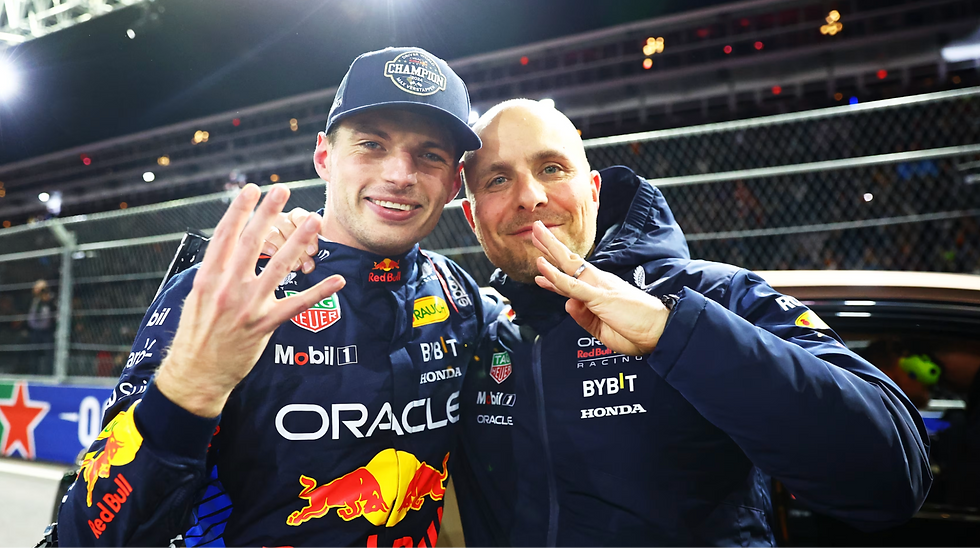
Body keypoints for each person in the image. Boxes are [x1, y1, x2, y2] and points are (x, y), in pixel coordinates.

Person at [273, 98, 931, 546]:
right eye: (497, 179)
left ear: (590, 189)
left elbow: (889, 479)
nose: (529, 195)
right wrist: (302, 245)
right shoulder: (474, 326)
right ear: (473, 219)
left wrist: (675, 335)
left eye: (551, 168)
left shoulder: (718, 297)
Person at [54, 47, 500, 548]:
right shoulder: (226, 291)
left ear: (454, 181)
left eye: (430, 154)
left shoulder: (463, 299)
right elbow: (85, 537)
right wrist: (189, 390)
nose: (400, 174)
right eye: (371, 144)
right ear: (324, 157)